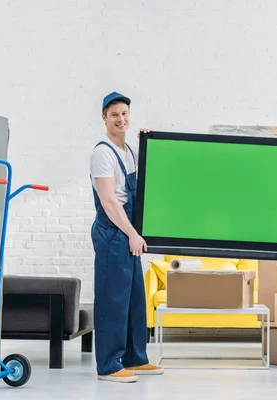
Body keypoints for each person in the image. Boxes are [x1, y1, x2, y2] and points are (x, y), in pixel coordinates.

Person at [89, 91, 164, 383]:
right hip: (113, 232)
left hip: (128, 232)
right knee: (113, 300)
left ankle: (135, 358)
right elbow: (109, 201)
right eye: (114, 115)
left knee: (134, 298)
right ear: (104, 118)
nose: (121, 119)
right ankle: (108, 365)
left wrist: (148, 143)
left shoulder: (130, 150)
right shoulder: (102, 153)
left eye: (125, 114)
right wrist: (132, 233)